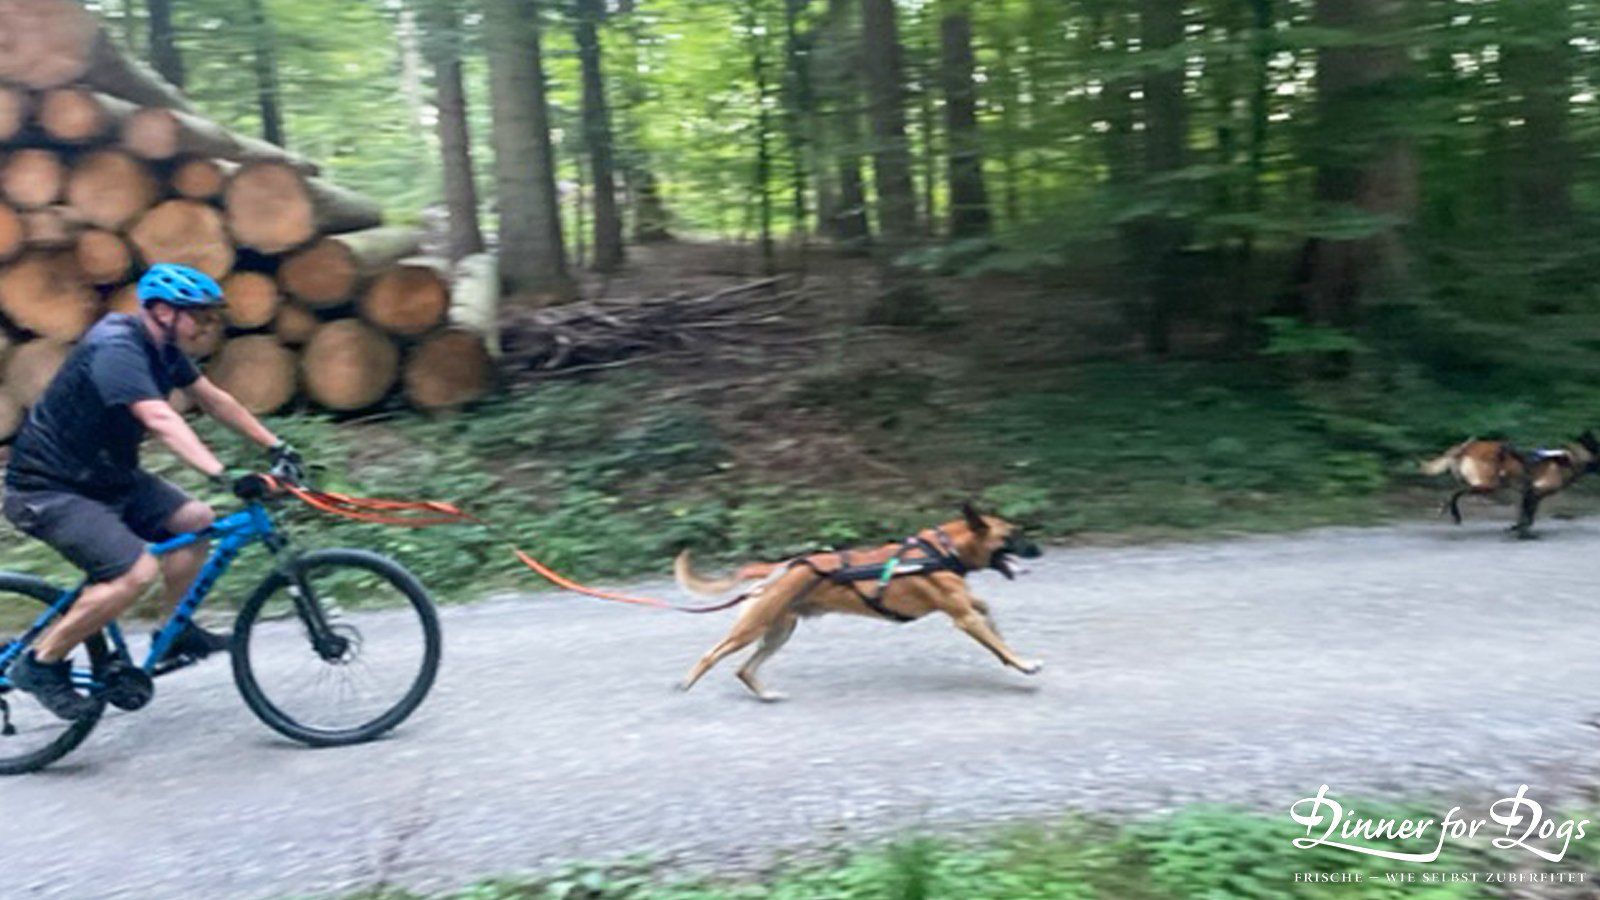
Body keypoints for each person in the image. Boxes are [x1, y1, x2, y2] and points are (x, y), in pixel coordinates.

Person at [2, 263, 300, 721]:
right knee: (133, 573)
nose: (205, 325)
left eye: (208, 316)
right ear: (161, 311)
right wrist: (223, 474)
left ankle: (173, 632)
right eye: (196, 315)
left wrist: (275, 445)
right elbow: (159, 418)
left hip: (107, 477)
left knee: (196, 520)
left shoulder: (162, 348)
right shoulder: (116, 348)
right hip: (50, 489)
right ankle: (42, 664)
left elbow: (212, 399)